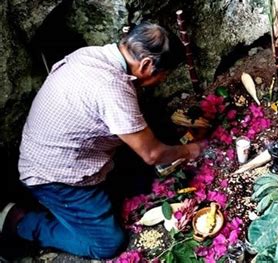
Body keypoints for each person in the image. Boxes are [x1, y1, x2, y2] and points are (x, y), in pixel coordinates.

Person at [0, 22, 205, 259]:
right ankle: (20, 222)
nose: (161, 81)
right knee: (108, 244)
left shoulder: (92, 54)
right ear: (147, 64)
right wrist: (191, 150)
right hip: (53, 178)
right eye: (163, 75)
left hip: (49, 153)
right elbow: (152, 155)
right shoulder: (112, 88)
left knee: (138, 178)